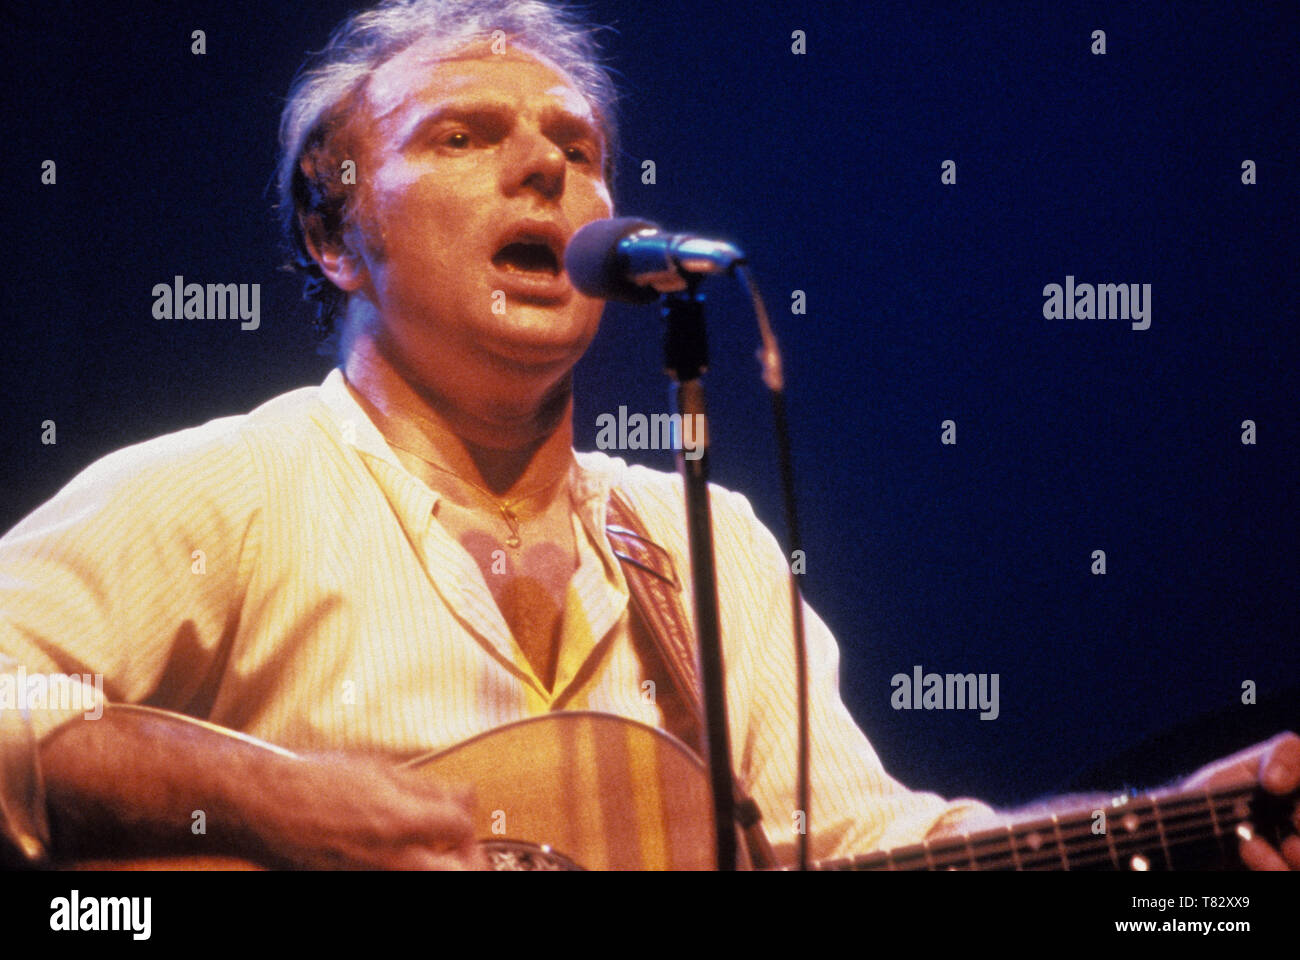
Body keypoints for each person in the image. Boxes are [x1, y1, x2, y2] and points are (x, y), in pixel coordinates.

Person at [1, 0, 1295, 871]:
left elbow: (864, 846)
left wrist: (1172, 829)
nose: (542, 169)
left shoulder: (700, 540)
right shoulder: (223, 495)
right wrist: (263, 798)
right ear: (337, 237)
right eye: (463, 135)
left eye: (579, 146)